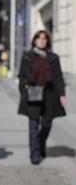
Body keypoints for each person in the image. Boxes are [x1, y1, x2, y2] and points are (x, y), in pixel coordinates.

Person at [18, 30, 67, 165]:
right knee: (33, 125)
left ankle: (40, 144)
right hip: (33, 92)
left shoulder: (53, 57)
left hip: (49, 94)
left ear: (48, 41)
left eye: (44, 39)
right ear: (34, 41)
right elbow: (22, 75)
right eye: (39, 39)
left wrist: (62, 94)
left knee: (46, 124)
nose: (42, 41)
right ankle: (35, 155)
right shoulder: (27, 56)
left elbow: (58, 77)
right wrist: (23, 91)